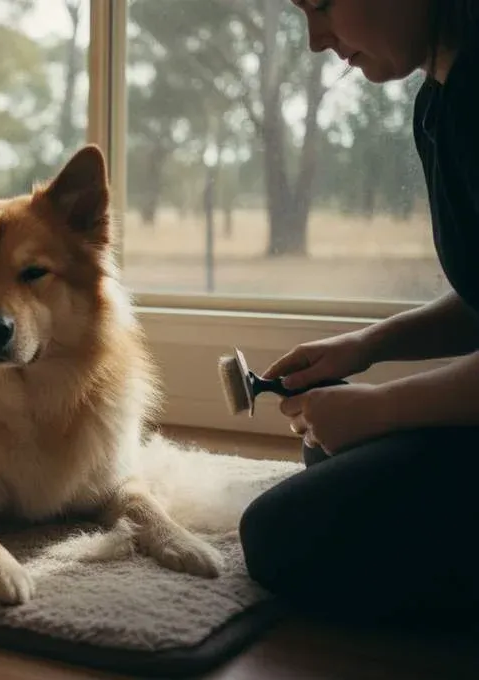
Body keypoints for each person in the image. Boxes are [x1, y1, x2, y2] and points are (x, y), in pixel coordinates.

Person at [238, 0, 479, 628]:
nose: (317, 40)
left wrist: (386, 407)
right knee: (330, 443)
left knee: (278, 536)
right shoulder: (440, 103)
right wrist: (370, 345)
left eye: (321, 5)